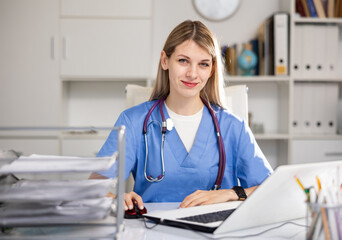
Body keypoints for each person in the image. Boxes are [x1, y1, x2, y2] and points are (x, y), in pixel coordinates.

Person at [89, 20, 272, 212]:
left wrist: (230, 193)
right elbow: (93, 189)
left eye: (203, 64)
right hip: (151, 230)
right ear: (165, 61)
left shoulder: (233, 127)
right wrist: (117, 197)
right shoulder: (134, 122)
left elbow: (272, 188)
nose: (192, 74)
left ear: (211, 69)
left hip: (215, 230)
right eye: (183, 61)